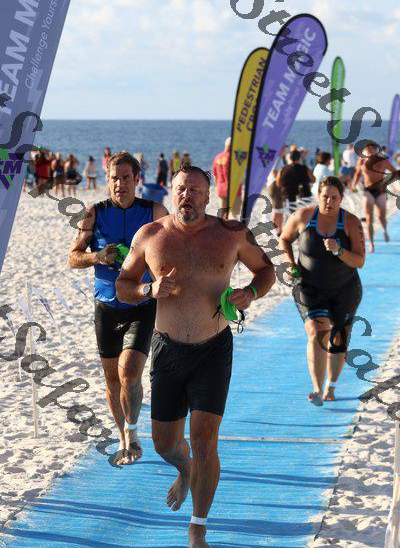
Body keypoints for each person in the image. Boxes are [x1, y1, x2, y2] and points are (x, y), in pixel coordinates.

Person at [115, 164, 275, 548]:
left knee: (204, 440)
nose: (187, 196)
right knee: (165, 444)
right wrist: (148, 290)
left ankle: (197, 528)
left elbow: (266, 270)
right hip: (167, 350)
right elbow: (123, 285)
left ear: (208, 195)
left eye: (195, 190)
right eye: (181, 189)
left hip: (213, 350)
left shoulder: (231, 234)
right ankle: (184, 469)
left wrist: (251, 293)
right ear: (172, 192)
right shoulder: (150, 235)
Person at [68, 151, 168, 465]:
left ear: (136, 179)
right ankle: (123, 436)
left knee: (130, 374)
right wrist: (97, 257)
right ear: (107, 179)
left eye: (126, 178)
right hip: (106, 307)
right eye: (114, 178)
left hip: (141, 303)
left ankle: (134, 431)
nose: (119, 184)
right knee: (112, 380)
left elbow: (176, 249)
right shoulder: (94, 213)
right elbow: (73, 257)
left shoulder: (154, 211)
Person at [279, 176, 365, 406]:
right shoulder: (303, 216)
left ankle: (331, 386)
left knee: (338, 338)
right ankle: (317, 389)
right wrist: (290, 264)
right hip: (309, 287)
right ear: (318, 196)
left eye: (334, 198)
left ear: (341, 199)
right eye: (325, 196)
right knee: (317, 332)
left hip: (344, 288)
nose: (329, 202)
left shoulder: (351, 222)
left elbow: (359, 261)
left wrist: (339, 251)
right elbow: (284, 239)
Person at [352, 140, 399, 252]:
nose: (369, 151)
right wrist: (353, 184)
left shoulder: (383, 161)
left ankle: (384, 229)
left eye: (371, 149)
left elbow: (395, 172)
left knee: (381, 216)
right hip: (368, 191)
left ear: (375, 150)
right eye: (367, 149)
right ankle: (372, 244)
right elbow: (357, 173)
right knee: (369, 218)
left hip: (380, 191)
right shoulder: (361, 161)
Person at [211, 137, 242, 219]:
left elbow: (214, 174)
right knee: (234, 214)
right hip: (233, 189)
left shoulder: (217, 157)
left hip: (221, 188)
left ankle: (222, 227)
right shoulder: (234, 158)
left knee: (223, 214)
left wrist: (217, 186)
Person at [267, 145, 287, 235]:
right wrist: (280, 182)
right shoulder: (277, 158)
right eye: (284, 148)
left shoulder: (277, 158)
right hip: (275, 184)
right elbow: (274, 172)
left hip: (274, 184)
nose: (285, 150)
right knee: (277, 209)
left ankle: (279, 230)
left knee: (279, 208)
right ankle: (274, 231)